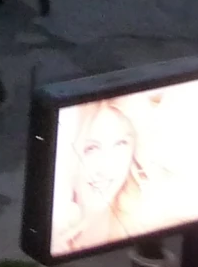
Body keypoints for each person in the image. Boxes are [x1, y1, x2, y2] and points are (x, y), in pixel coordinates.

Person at [56, 97, 150, 256]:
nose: (106, 167)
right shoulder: (55, 232)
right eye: (91, 148)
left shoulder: (147, 222)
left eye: (121, 144)